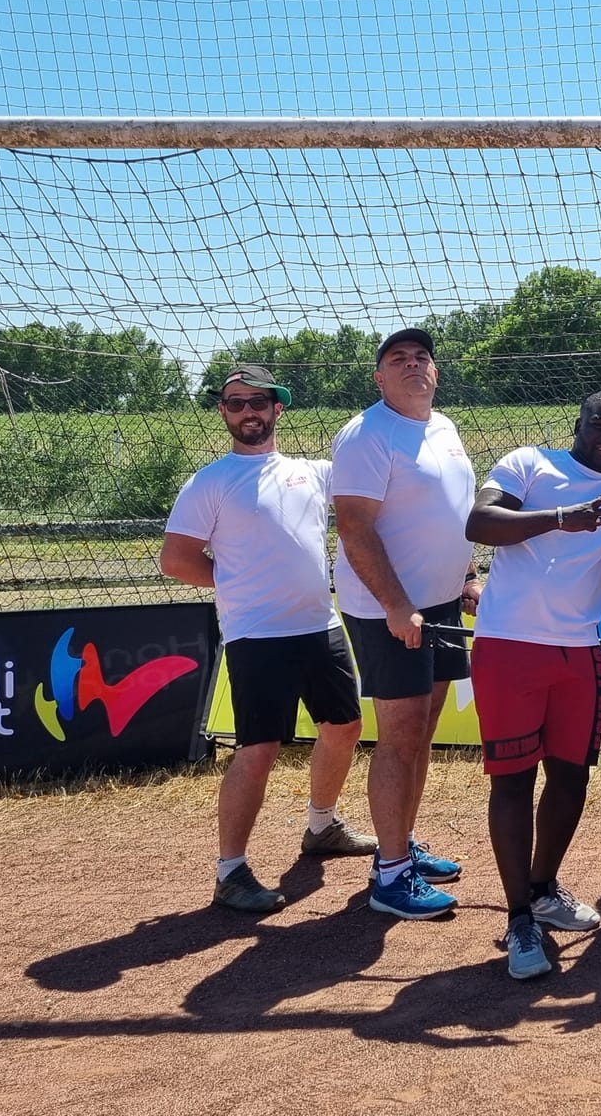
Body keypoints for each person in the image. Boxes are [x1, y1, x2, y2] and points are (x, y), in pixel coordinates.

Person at [465, 390, 601, 980]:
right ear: (578, 425)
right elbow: (479, 522)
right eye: (598, 424)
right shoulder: (529, 464)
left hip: (578, 647)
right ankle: (519, 918)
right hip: (510, 643)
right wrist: (561, 518)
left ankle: (543, 889)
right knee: (513, 781)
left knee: (571, 776)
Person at [161, 364, 378, 913]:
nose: (248, 412)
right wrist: (238, 584)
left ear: (277, 408)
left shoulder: (314, 472)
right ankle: (230, 872)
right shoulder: (210, 481)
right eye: (236, 403)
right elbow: (176, 560)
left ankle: (322, 827)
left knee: (345, 727)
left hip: (320, 625)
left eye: (258, 401)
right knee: (259, 749)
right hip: (256, 635)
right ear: (223, 412)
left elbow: (370, 497)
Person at [331, 328, 481, 920]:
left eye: (422, 357)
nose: (413, 365)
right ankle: (391, 875)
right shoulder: (366, 434)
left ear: (435, 372)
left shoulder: (443, 427)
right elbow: (354, 528)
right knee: (398, 737)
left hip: (439, 603)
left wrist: (467, 577)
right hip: (386, 609)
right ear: (380, 377)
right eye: (398, 359)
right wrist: (395, 604)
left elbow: (454, 512)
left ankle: (401, 844)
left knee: (421, 731)